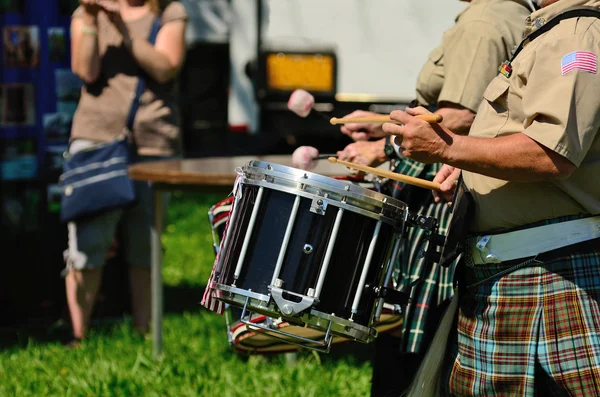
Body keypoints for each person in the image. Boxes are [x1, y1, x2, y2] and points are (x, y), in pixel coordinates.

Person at [383, 0, 600, 395]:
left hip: (546, 276)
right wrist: (469, 167)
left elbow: (551, 153)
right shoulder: (553, 29)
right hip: (515, 272)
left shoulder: (577, 33)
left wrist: (450, 149)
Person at [336, 0, 533, 395]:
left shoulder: (486, 18)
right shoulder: (505, 12)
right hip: (459, 182)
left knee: (414, 326)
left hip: (441, 190)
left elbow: (455, 116)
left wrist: (385, 147)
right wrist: (383, 128)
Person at [64, 0, 187, 345]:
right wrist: (90, 16)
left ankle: (147, 336)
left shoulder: (169, 12)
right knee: (88, 242)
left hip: (153, 145)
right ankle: (77, 337)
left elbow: (165, 68)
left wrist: (122, 30)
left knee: (145, 245)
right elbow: (84, 70)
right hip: (96, 142)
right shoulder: (87, 13)